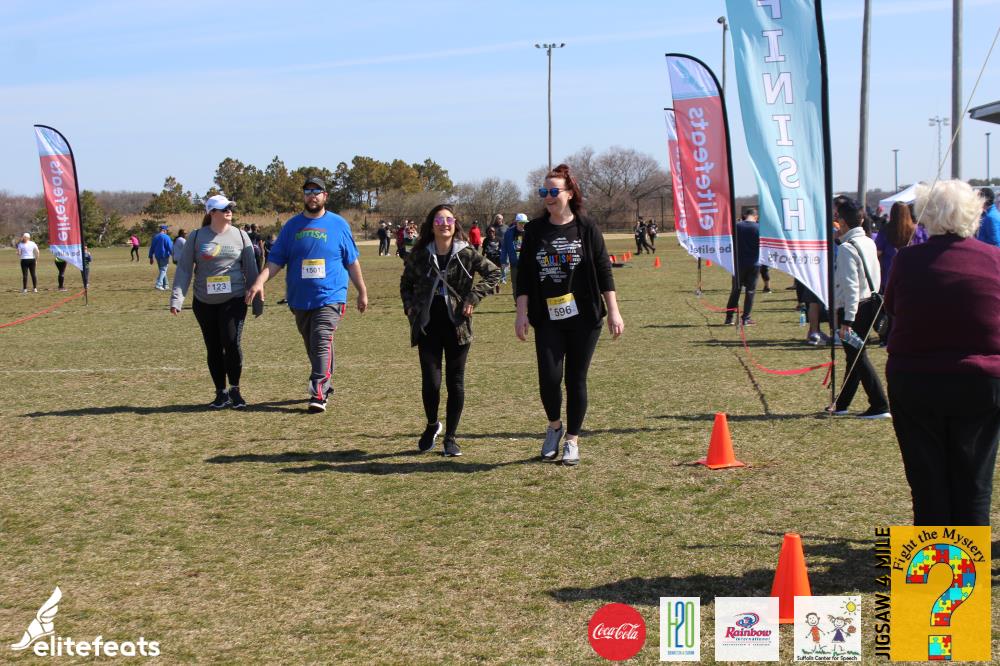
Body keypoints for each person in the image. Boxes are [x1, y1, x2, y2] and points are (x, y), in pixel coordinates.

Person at [884, 180, 1000, 525]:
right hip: (981, 381)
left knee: (927, 479)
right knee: (974, 480)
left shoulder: (907, 260)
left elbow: (892, 309)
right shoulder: (995, 259)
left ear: (926, 215)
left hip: (915, 379)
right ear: (974, 215)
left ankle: (933, 555)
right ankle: (967, 557)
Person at [515, 164, 624, 465]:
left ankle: (572, 440)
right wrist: (521, 313)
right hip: (547, 317)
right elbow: (524, 275)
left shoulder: (587, 228)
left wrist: (614, 311)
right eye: (544, 191)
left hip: (585, 317)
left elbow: (604, 271)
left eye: (554, 191)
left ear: (570, 193)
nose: (548, 196)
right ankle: (554, 426)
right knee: (549, 379)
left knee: (576, 379)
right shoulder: (535, 230)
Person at [245, 177, 368, 413]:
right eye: (308, 191)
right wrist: (259, 281)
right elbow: (275, 261)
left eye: (317, 191)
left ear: (325, 196)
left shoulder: (338, 224)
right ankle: (325, 382)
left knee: (321, 338)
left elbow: (352, 261)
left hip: (331, 295)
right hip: (300, 298)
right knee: (314, 344)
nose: (312, 196)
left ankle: (318, 392)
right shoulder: (292, 226)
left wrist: (362, 291)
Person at [400, 205, 501, 457]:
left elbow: (494, 273)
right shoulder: (421, 254)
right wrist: (409, 306)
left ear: (455, 224)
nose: (444, 224)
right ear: (431, 225)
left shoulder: (466, 253)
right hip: (427, 325)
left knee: (455, 382)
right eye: (439, 220)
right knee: (431, 383)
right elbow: (406, 282)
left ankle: (451, 438)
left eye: (448, 219)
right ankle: (432, 425)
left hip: (458, 326)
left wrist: (473, 297)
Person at [171, 195, 260, 409]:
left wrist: (257, 301)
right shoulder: (196, 237)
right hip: (204, 302)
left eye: (231, 207)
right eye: (224, 208)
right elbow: (184, 269)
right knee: (213, 347)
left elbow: (251, 269)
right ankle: (221, 393)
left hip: (234, 299)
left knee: (231, 342)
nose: (229, 210)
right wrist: (177, 298)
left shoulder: (241, 235)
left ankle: (235, 390)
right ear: (212, 212)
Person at [827, 196, 890, 419]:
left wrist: (847, 320)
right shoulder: (868, 241)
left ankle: (880, 404)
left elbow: (851, 287)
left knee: (857, 357)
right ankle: (842, 404)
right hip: (870, 303)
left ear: (842, 222)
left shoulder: (847, 248)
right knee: (853, 356)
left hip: (854, 308)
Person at [724, 209, 761, 326]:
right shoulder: (759, 228)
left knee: (736, 290)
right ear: (756, 217)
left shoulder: (736, 226)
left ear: (745, 215)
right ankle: (746, 318)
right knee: (750, 291)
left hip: (738, 263)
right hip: (754, 263)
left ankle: (729, 317)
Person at [501, 213, 527, 297]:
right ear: (516, 222)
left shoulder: (530, 232)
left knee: (528, 284)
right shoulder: (509, 233)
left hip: (527, 263)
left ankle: (528, 302)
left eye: (524, 222)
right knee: (515, 284)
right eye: (521, 222)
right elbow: (504, 248)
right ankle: (517, 302)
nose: (523, 225)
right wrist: (503, 261)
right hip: (515, 263)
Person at [148, 225, 173, 290]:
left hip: (157, 256)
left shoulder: (155, 237)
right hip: (164, 256)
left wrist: (151, 257)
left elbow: (152, 247)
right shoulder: (166, 237)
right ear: (164, 230)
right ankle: (158, 284)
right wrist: (173, 255)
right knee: (163, 270)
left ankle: (166, 285)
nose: (167, 232)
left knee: (162, 270)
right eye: (166, 230)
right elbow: (170, 247)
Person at [482, 226, 503, 294]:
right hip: (489, 259)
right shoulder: (486, 240)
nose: (491, 233)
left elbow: (502, 249)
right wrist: (482, 259)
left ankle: (497, 285)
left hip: (497, 259)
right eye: (489, 231)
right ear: (487, 232)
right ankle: (491, 288)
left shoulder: (499, 239)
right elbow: (483, 251)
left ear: (495, 232)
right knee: (490, 274)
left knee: (497, 273)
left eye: (493, 231)